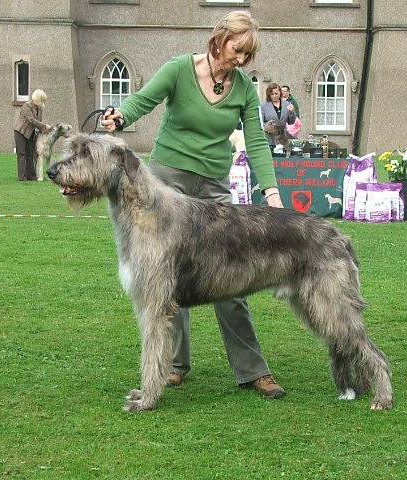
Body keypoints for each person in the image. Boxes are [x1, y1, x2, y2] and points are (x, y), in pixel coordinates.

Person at [101, 10, 286, 398]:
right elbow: (143, 101)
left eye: (248, 55)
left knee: (233, 273)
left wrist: (271, 193)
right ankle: (173, 366)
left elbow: (256, 141)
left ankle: (252, 369)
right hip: (167, 183)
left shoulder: (242, 89)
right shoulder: (180, 70)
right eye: (238, 50)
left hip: (214, 188)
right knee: (166, 275)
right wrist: (120, 115)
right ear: (219, 38)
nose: (241, 59)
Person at [14, 89, 50, 181]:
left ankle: (32, 176)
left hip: (30, 133)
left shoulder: (40, 108)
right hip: (20, 132)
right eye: (43, 100)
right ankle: (22, 177)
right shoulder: (27, 106)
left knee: (30, 154)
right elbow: (32, 120)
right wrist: (44, 126)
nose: (43, 102)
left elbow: (39, 122)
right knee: (22, 154)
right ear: (39, 99)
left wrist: (46, 130)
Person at [260, 83, 296, 148]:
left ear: (280, 93)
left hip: (284, 140)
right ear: (269, 95)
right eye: (272, 94)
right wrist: (269, 127)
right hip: (269, 141)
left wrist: (292, 112)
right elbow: (260, 123)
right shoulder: (263, 106)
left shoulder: (287, 104)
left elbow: (291, 122)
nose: (274, 96)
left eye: (276, 94)